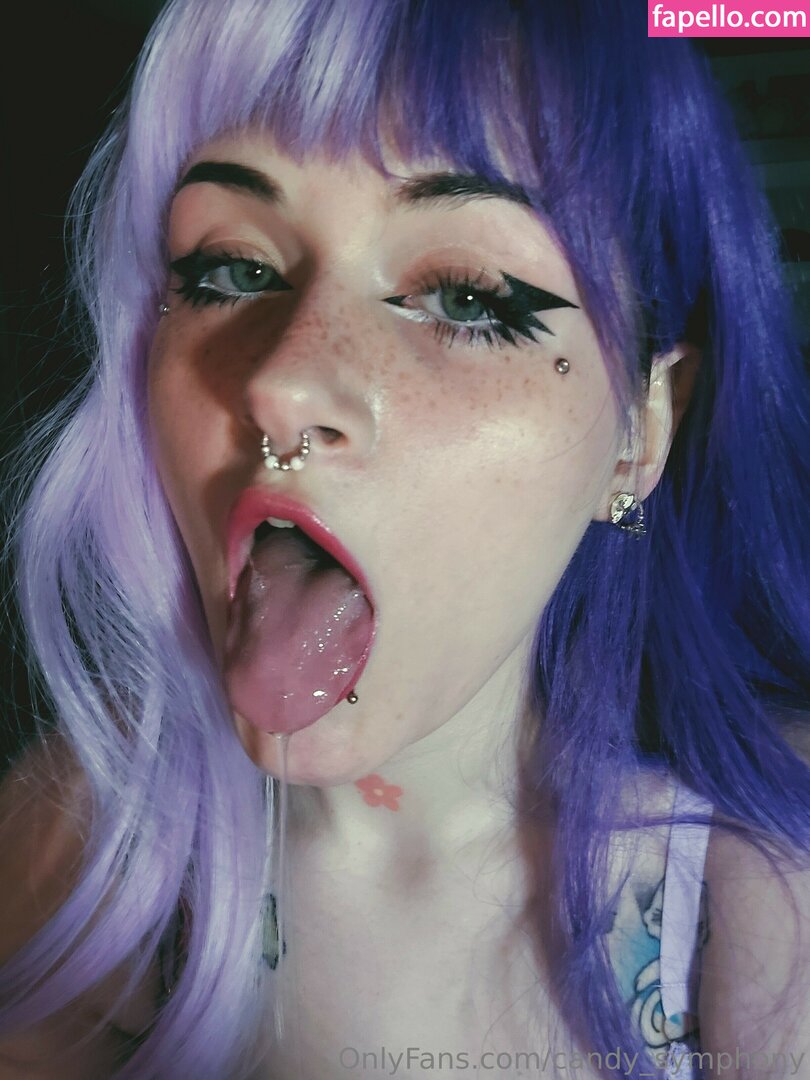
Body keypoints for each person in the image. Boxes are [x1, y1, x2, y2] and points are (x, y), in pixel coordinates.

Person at [1, 1, 809, 1077]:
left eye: (466, 298)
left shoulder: (760, 901)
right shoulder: (87, 848)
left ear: (639, 430)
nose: (283, 382)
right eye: (231, 269)